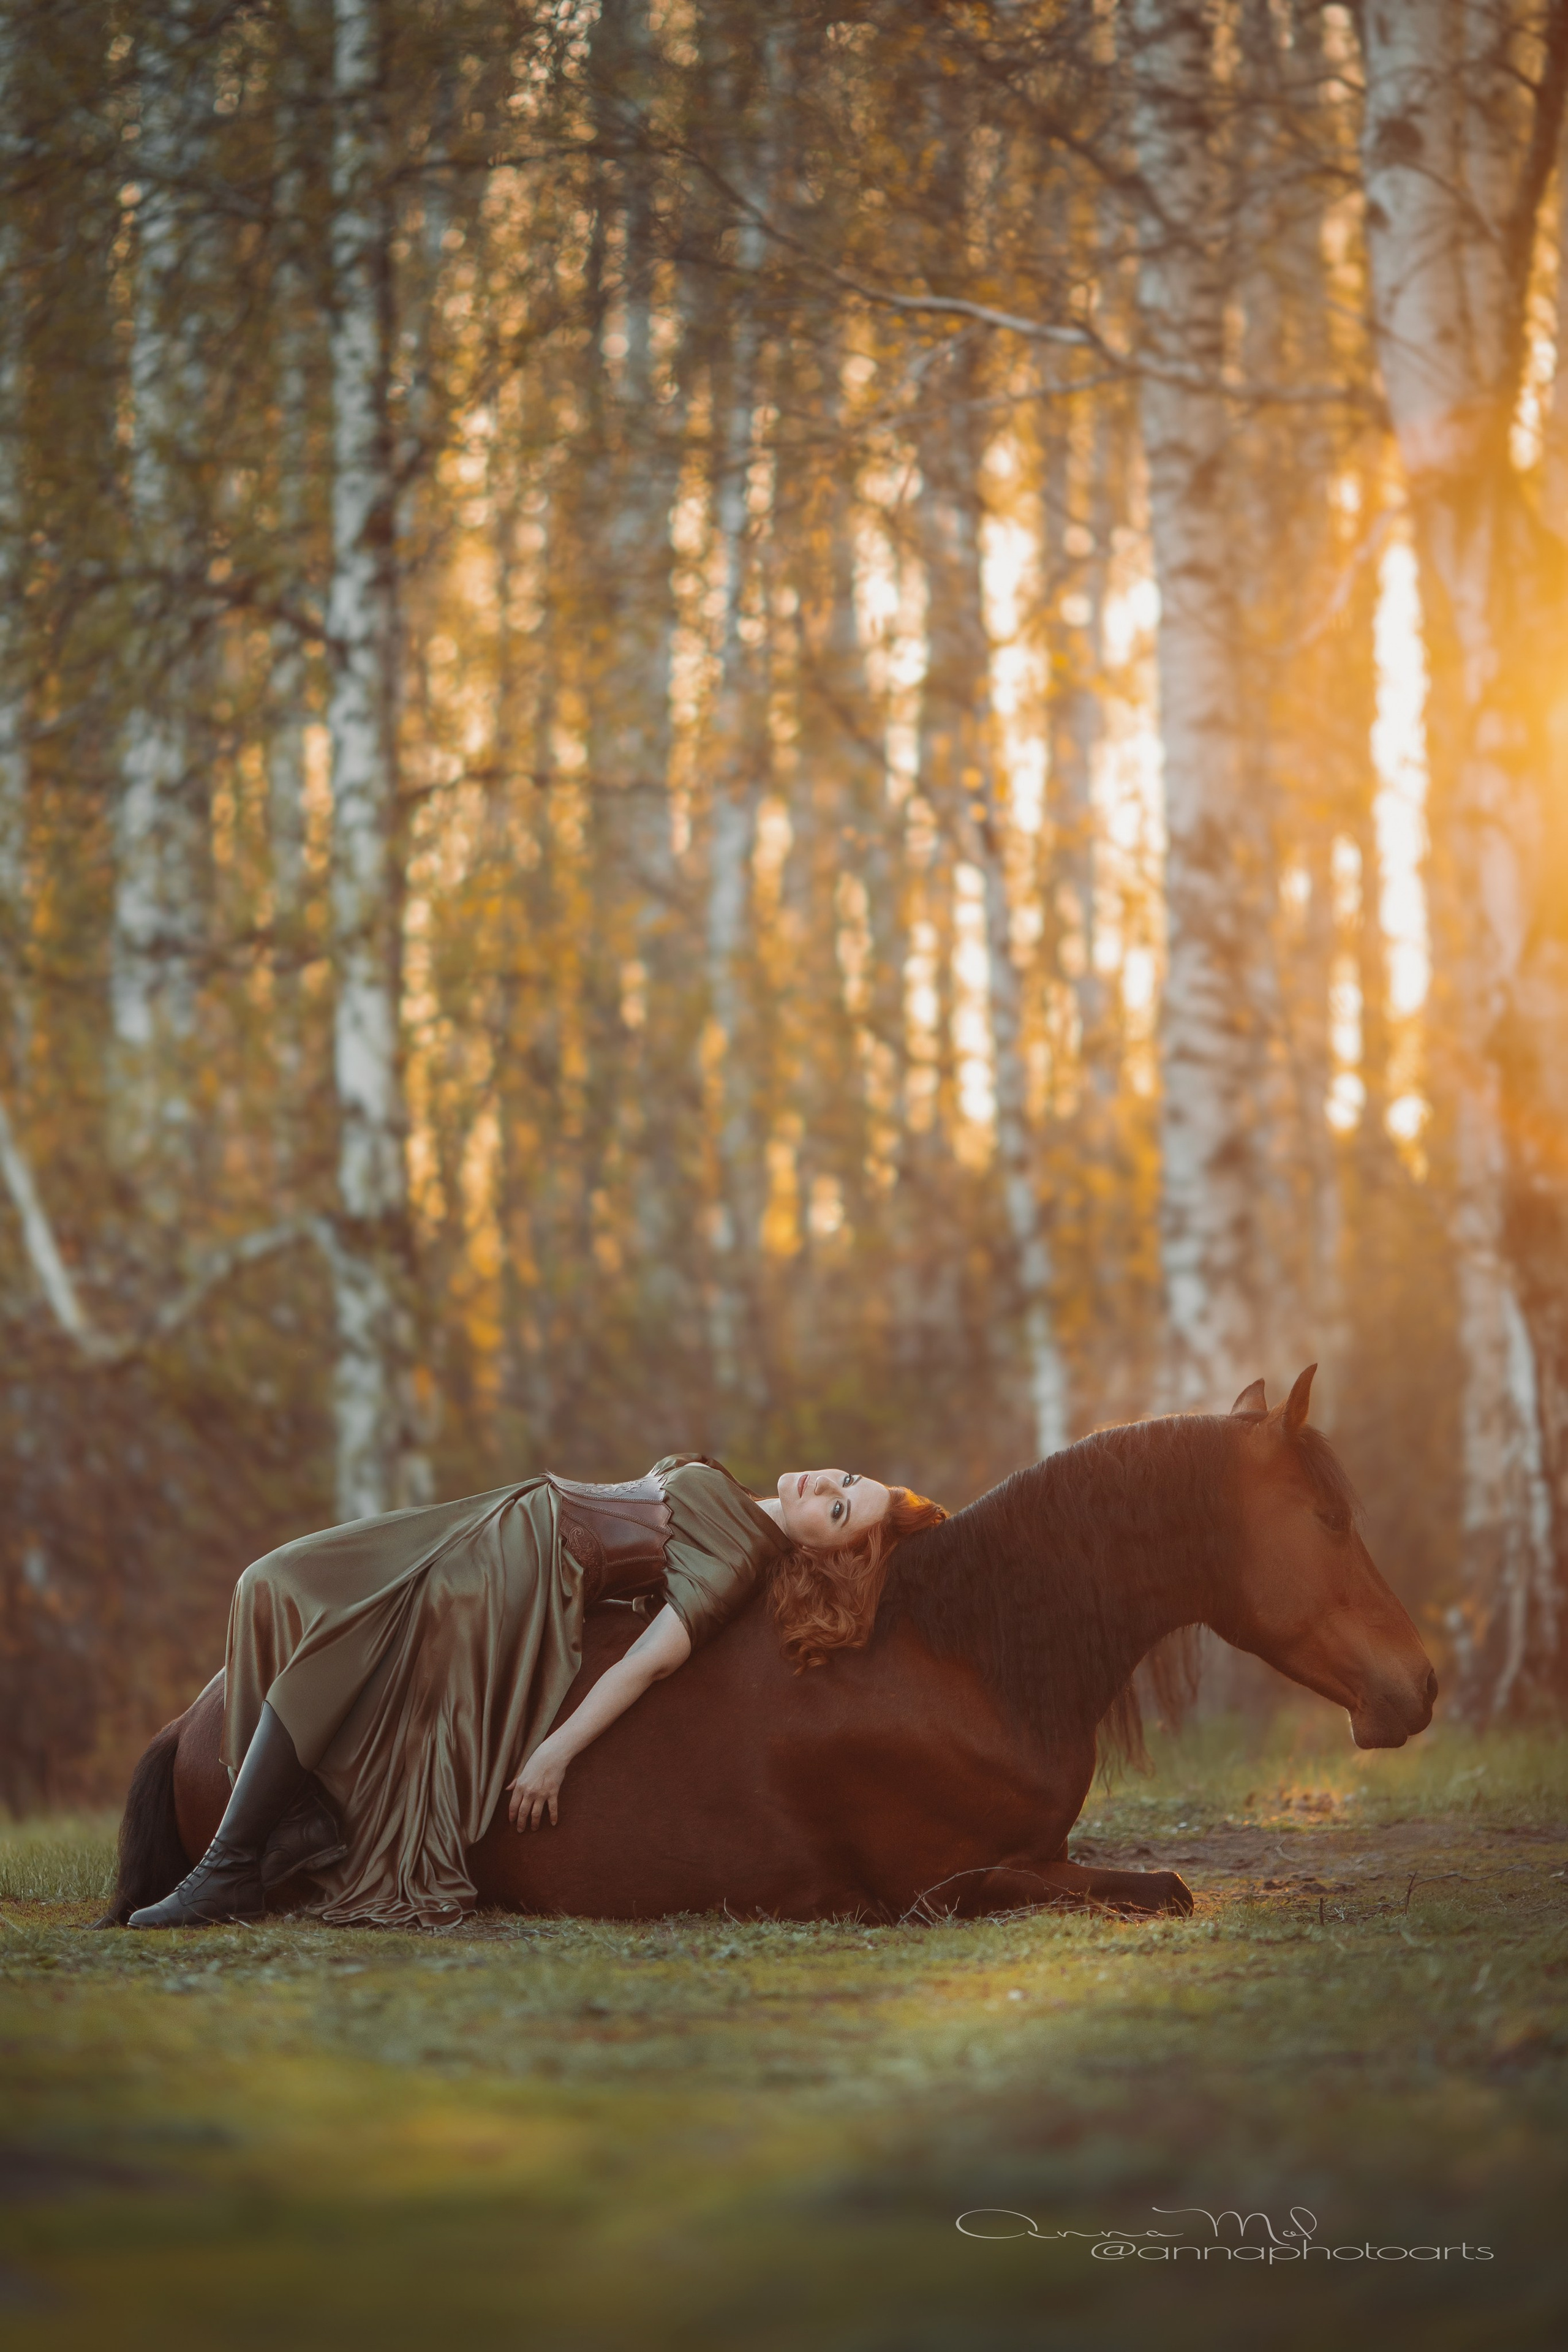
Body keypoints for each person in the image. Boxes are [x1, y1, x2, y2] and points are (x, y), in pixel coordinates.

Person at [127, 1457, 946, 1932]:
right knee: (269, 1580)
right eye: (844, 1479)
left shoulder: (738, 1556)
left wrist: (554, 1754)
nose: (821, 1489)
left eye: (837, 1511)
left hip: (516, 1578)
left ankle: (229, 1867)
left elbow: (650, 1662)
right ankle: (295, 1816)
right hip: (498, 1519)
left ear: (827, 1552)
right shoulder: (739, 1498)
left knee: (345, 1636)